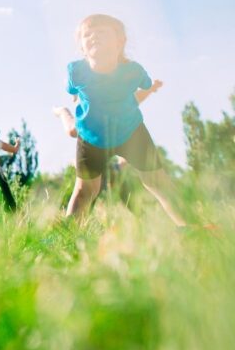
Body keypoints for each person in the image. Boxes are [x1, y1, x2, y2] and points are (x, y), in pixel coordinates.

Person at [62, 14, 189, 225]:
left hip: (131, 132)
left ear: (120, 42)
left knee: (157, 181)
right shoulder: (76, 71)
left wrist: (151, 86)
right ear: (82, 48)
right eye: (87, 34)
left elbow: (146, 83)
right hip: (91, 136)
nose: (94, 36)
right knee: (85, 190)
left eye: (101, 32)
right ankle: (67, 235)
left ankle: (191, 226)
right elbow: (71, 89)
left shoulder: (133, 71)